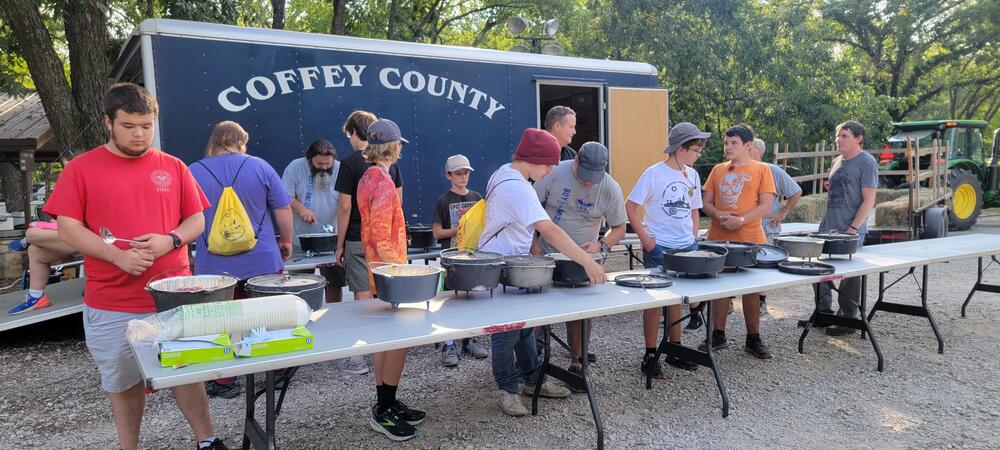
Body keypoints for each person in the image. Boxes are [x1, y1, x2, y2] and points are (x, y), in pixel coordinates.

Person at [43, 83, 228, 450]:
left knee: (186, 371)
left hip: (174, 297)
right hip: (112, 301)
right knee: (123, 383)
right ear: (108, 122)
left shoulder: (172, 166)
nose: (140, 134)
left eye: (146, 125)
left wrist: (170, 240)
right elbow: (67, 228)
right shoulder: (81, 169)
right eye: (129, 126)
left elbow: (196, 221)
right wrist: (117, 256)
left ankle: (207, 440)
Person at [480, 128, 606, 417]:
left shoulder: (504, 172)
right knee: (505, 331)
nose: (551, 171)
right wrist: (588, 262)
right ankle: (508, 388)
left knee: (524, 327)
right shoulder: (518, 188)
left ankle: (533, 378)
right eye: (548, 164)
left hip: (512, 263)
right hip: (503, 266)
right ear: (533, 159)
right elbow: (549, 229)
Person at [191, 121, 294, 399]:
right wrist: (286, 241)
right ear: (240, 141)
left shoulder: (193, 171)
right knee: (269, 313)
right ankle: (274, 370)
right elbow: (283, 208)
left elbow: (185, 218)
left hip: (213, 264)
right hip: (261, 259)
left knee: (221, 320)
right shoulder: (260, 166)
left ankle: (225, 381)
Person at [356, 118, 425, 441]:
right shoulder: (382, 181)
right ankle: (383, 411)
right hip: (388, 271)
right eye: (399, 146)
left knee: (387, 340)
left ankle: (388, 401)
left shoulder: (367, 176)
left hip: (376, 269)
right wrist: (398, 274)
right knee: (399, 339)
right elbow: (383, 234)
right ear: (393, 147)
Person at [532, 141, 626, 376]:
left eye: (592, 178)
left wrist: (601, 244)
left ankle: (578, 359)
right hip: (547, 252)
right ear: (575, 161)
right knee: (537, 304)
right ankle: (533, 357)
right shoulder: (554, 173)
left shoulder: (610, 188)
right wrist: (534, 244)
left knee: (581, 308)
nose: (586, 182)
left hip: (584, 257)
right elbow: (529, 208)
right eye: (583, 176)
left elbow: (619, 228)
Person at [626, 122, 708, 378]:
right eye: (696, 149)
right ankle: (650, 354)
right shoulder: (653, 173)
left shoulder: (692, 175)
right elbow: (631, 206)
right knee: (653, 300)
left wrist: (693, 236)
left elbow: (695, 209)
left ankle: (675, 348)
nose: (698, 154)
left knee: (678, 297)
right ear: (681, 149)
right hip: (659, 246)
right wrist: (646, 239)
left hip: (686, 245)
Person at [699, 124, 776, 360]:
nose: (728, 147)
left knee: (751, 290)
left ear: (748, 146)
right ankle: (717, 334)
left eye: (734, 143)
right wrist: (718, 215)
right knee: (721, 287)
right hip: (719, 238)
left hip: (749, 237)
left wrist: (741, 220)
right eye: (726, 143)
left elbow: (766, 205)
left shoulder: (762, 170)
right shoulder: (717, 170)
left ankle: (753, 337)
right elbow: (706, 203)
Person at [817, 121, 877, 336]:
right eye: (838, 136)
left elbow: (869, 199)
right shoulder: (836, 161)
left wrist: (853, 227)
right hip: (828, 227)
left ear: (858, 138)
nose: (838, 140)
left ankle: (847, 318)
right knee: (817, 269)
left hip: (849, 229)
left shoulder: (866, 162)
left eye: (844, 136)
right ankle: (823, 312)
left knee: (850, 275)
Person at [335, 110, 403, 302]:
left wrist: (339, 244)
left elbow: (345, 207)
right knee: (386, 293)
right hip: (384, 246)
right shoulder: (387, 172)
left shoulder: (355, 167)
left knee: (362, 291)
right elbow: (397, 205)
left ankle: (365, 332)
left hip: (358, 238)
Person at [431, 154, 488, 366]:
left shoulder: (476, 197)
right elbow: (437, 232)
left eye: (466, 173)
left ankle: (469, 339)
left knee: (472, 300)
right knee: (449, 302)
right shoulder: (443, 201)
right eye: (458, 173)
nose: (463, 177)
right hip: (452, 259)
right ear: (448, 175)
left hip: (473, 258)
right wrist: (458, 229)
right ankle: (448, 344)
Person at [281, 139, 346, 303]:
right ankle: (302, 316)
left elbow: (346, 203)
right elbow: (284, 197)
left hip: (332, 240)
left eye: (327, 164)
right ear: (309, 160)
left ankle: (333, 315)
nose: (324, 167)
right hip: (301, 240)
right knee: (299, 284)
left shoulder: (340, 169)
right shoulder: (295, 167)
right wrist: (301, 209)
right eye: (319, 164)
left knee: (334, 283)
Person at [750, 137, 802, 316]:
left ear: (759, 151)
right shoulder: (739, 169)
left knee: (763, 264)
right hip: (744, 226)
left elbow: (795, 192)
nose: (747, 151)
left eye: (750, 148)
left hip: (766, 226)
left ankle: (761, 303)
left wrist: (782, 213)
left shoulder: (772, 171)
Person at [7, 221, 75, 314]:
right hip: (84, 233)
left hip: (94, 236)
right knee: (35, 251)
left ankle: (29, 240)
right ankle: (36, 297)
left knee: (31, 233)